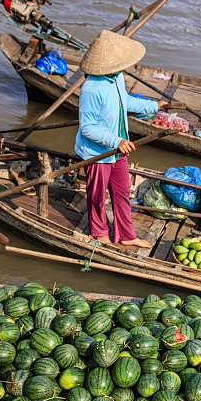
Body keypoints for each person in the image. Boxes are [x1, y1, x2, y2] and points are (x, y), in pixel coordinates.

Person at [75, 30, 167, 248]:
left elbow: (125, 102)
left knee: (122, 193)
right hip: (99, 152)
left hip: (118, 148)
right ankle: (99, 232)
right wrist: (115, 141)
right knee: (97, 196)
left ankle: (126, 234)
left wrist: (153, 106)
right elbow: (87, 128)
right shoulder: (90, 89)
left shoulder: (116, 78)